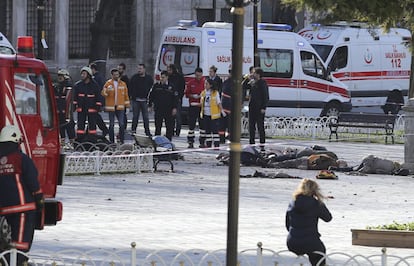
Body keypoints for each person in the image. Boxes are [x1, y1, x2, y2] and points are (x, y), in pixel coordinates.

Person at [0, 125, 44, 265]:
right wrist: (39, 198)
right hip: (23, 207)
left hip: (4, 209)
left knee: (10, 243)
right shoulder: (20, 158)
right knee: (20, 245)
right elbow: (32, 180)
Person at [286, 178, 332, 266]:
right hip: (311, 241)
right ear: (314, 190)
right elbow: (328, 218)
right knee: (319, 254)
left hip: (292, 241)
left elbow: (288, 224)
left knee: (313, 250)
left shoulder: (293, 202)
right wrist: (320, 203)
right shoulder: (316, 204)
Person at [102, 68, 130, 144]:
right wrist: (107, 90)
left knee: (121, 124)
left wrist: (127, 106)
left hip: (120, 107)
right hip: (111, 107)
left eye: (117, 74)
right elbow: (103, 93)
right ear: (112, 75)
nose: (116, 76)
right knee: (111, 125)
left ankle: (121, 140)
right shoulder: (108, 83)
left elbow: (126, 96)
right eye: (115, 75)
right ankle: (111, 141)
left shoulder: (123, 84)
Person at [148, 70, 179, 141]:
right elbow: (151, 96)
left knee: (169, 127)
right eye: (160, 77)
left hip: (169, 110)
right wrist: (149, 105)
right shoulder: (156, 86)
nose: (161, 79)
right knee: (158, 126)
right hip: (159, 109)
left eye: (163, 77)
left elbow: (175, 98)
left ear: (167, 77)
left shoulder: (172, 86)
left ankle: (168, 142)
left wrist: (175, 108)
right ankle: (157, 142)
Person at [73, 66, 102, 140]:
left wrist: (98, 106)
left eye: (84, 74)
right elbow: (74, 97)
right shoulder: (78, 85)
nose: (82, 75)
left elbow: (98, 96)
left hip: (92, 109)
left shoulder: (95, 85)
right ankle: (79, 140)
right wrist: (74, 105)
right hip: (81, 109)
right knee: (80, 126)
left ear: (88, 75)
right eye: (81, 74)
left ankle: (92, 139)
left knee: (92, 126)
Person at [128, 63, 153, 136]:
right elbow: (130, 88)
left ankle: (147, 132)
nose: (139, 70)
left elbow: (151, 89)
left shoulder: (148, 78)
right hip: (136, 100)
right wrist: (131, 97)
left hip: (145, 100)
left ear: (144, 69)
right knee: (135, 116)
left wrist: (150, 102)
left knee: (146, 117)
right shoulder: (134, 78)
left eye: (140, 68)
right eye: (138, 68)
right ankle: (133, 130)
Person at [248, 67, 269, 151]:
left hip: (259, 108)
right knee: (251, 126)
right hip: (252, 107)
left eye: (254, 73)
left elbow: (266, 96)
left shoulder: (262, 83)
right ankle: (251, 144)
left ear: (258, 74)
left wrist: (264, 107)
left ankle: (262, 144)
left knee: (260, 126)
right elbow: (244, 86)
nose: (253, 74)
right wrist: (247, 79)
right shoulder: (252, 82)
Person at [200, 78, 224, 148]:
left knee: (215, 130)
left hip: (213, 115)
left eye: (206, 84)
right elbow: (201, 103)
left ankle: (216, 145)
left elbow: (218, 102)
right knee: (207, 130)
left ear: (210, 85)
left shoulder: (215, 93)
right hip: (205, 114)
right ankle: (208, 144)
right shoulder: (203, 93)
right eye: (205, 84)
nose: (205, 85)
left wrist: (222, 110)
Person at [54, 68, 76, 146]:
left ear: (65, 76)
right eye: (59, 75)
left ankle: (73, 143)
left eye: (61, 76)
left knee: (69, 126)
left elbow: (68, 99)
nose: (59, 77)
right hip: (59, 110)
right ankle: (62, 142)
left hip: (67, 111)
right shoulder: (57, 86)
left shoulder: (69, 87)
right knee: (61, 127)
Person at [184, 67, 205, 148]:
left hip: (201, 106)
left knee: (202, 125)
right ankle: (190, 141)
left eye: (199, 75)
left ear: (202, 74)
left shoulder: (204, 83)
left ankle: (202, 142)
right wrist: (192, 95)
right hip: (193, 105)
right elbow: (186, 94)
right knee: (191, 125)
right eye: (196, 75)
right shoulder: (190, 83)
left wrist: (201, 96)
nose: (198, 77)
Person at [89, 62, 109, 137]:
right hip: (96, 100)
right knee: (94, 116)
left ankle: (104, 129)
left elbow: (99, 90)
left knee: (95, 116)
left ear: (93, 69)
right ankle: (102, 129)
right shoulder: (99, 77)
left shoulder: (96, 78)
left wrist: (100, 101)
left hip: (96, 100)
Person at [167, 64, 185, 137]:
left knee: (178, 116)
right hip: (169, 99)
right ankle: (171, 130)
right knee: (170, 116)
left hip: (177, 99)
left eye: (169, 70)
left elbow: (182, 88)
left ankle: (177, 131)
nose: (168, 71)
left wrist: (179, 97)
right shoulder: (169, 77)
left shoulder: (179, 77)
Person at [219, 67, 232, 144]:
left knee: (230, 125)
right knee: (222, 125)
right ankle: (221, 139)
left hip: (231, 108)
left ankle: (230, 139)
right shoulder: (226, 82)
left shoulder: (237, 83)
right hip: (224, 107)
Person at [118, 63, 130, 130]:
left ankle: (123, 130)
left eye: (120, 69)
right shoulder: (117, 78)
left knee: (123, 116)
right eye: (118, 69)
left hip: (123, 100)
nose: (118, 70)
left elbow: (127, 91)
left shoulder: (125, 79)